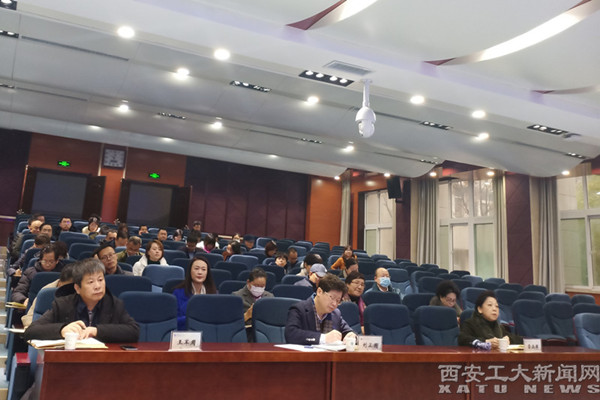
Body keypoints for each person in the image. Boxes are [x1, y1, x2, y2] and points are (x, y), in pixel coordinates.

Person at [24, 258, 139, 343]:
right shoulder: (63, 304)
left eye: (100, 280)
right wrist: (62, 330)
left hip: (102, 361)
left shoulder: (113, 303)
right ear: (78, 288)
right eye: (90, 282)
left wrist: (97, 331)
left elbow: (134, 331)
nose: (97, 286)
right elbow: (31, 331)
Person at [285, 274, 357, 345]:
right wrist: (323, 338)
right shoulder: (299, 309)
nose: (334, 304)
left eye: (338, 300)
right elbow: (291, 334)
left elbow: (348, 331)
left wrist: (351, 335)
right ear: (319, 291)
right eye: (332, 297)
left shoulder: (335, 314)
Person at [458, 291, 523, 349]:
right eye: (490, 305)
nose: (494, 309)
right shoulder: (470, 324)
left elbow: (519, 339)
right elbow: (463, 339)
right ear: (480, 309)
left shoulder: (499, 327)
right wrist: (485, 342)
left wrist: (509, 339)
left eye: (497, 306)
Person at [22, 263, 76, 329]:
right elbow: (29, 317)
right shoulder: (46, 293)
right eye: (65, 288)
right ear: (59, 282)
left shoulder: (83, 295)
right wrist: (31, 328)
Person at [173, 255, 216, 330]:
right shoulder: (178, 293)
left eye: (203, 269)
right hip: (185, 333)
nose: (200, 272)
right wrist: (193, 318)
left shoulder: (214, 294)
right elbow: (173, 321)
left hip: (207, 332)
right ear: (190, 271)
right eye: (196, 269)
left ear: (207, 273)